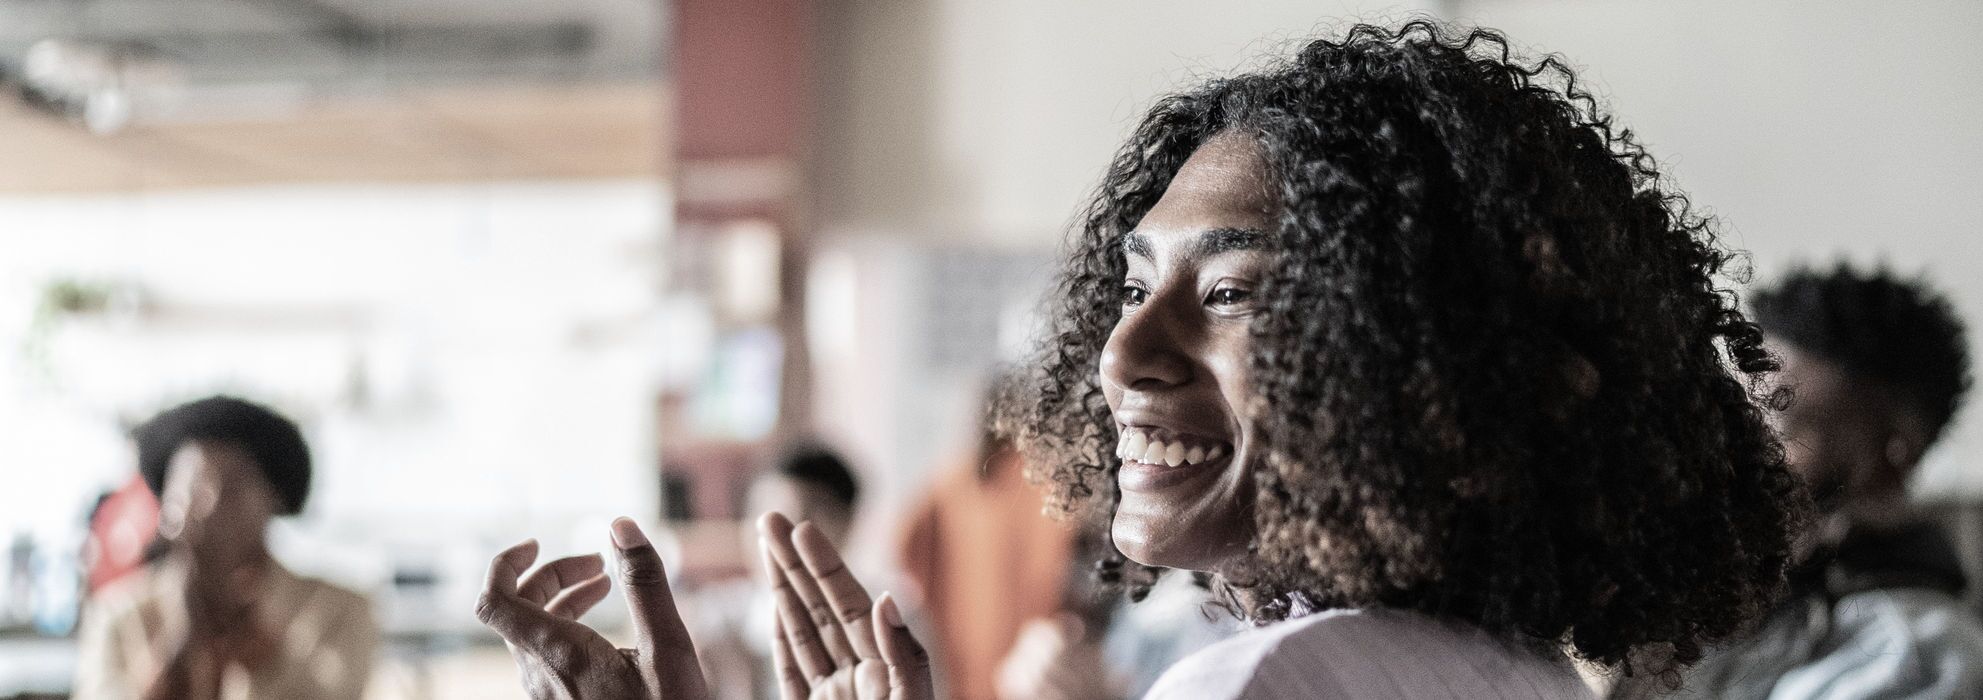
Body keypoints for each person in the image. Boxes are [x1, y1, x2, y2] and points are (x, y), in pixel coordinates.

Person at [475, 18, 1804, 699]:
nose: (1123, 353)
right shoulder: (1514, 673)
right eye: (1128, 285)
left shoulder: (1269, 685)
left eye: (1227, 291)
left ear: (1439, 372)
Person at [1612, 263, 1983, 699]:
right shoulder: (1761, 610)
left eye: (1780, 423)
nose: (1739, 447)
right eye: (1743, 415)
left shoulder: (1913, 660)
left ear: (1893, 455)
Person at [73, 396, 378, 700]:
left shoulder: (339, 611)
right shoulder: (117, 616)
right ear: (166, 509)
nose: (211, 505)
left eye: (232, 488)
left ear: (274, 500)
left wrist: (264, 660)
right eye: (194, 488)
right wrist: (181, 643)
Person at [898, 385, 1075, 700]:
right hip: (1018, 660)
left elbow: (906, 549)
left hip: (972, 656)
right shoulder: (1043, 478)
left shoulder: (951, 482)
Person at [688, 443, 864, 700]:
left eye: (803, 516)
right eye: (761, 514)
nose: (775, 538)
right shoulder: (716, 620)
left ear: (846, 525)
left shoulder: (891, 620)